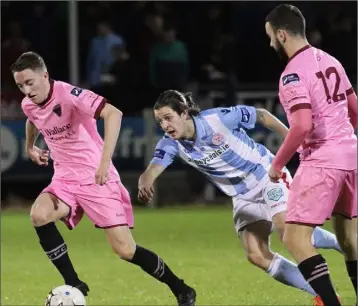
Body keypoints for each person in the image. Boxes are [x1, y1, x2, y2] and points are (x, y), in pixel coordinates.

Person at [11, 52, 196, 306]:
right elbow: (33, 118)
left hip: (96, 177)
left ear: (44, 75)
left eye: (30, 82)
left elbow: (114, 114)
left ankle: (182, 288)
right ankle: (73, 282)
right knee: (38, 215)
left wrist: (104, 162)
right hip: (65, 178)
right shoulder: (28, 103)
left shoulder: (69, 95)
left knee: (125, 250)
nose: (26, 90)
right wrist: (30, 147)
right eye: (20, 85)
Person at [138, 89, 343, 305]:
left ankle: (342, 246)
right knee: (256, 254)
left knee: (288, 233)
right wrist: (146, 180)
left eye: (168, 118)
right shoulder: (170, 143)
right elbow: (153, 168)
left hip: (266, 175)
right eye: (160, 121)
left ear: (185, 113)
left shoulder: (218, 119)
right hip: (242, 195)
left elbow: (261, 115)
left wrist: (292, 140)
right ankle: (321, 292)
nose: (165, 126)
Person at [265, 4, 357, 306]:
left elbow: (303, 125)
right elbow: (354, 111)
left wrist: (277, 165)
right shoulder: (331, 60)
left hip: (322, 160)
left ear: (281, 34)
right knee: (349, 241)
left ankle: (331, 303)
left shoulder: (291, 74)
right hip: (351, 157)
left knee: (294, 238)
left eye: (270, 37)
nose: (270, 44)